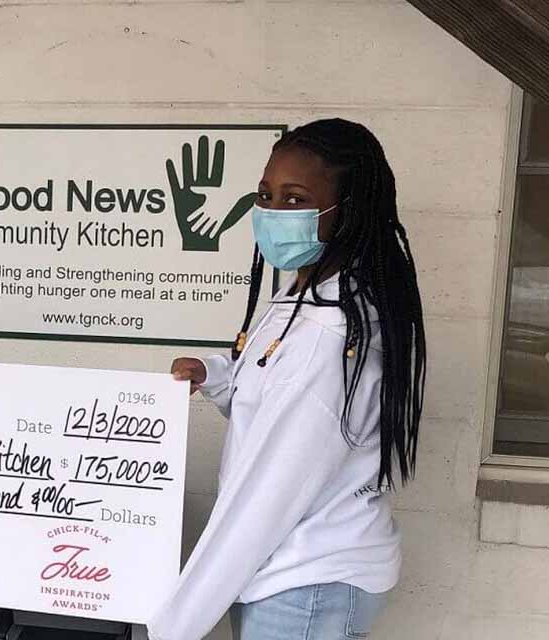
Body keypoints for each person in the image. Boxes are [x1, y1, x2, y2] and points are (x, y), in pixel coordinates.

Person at [150, 119, 426, 640]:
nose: (274, 213)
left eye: (296, 200)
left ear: (348, 212)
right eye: (266, 194)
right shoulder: (313, 294)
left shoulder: (329, 332)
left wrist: (173, 623)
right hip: (298, 574)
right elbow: (272, 384)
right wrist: (215, 374)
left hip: (304, 586)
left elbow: (264, 496)